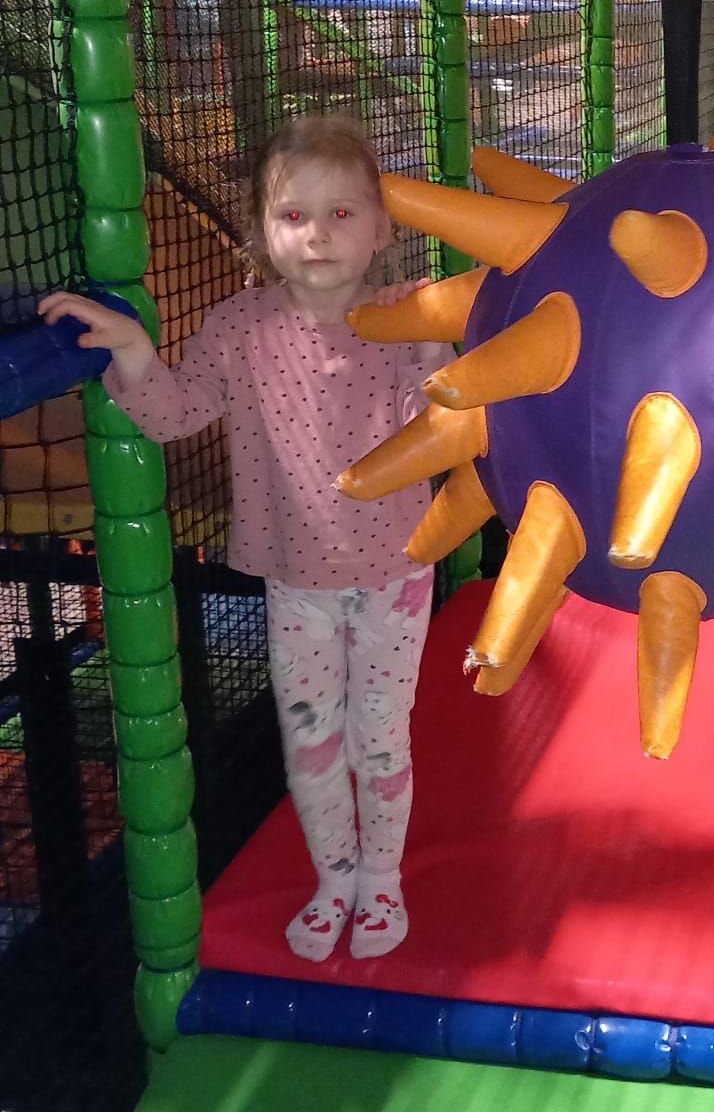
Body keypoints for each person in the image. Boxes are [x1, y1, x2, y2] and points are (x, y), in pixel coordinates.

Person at [40, 115, 452, 965]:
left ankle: (382, 878)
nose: (317, 234)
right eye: (294, 215)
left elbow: (442, 427)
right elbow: (177, 412)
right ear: (263, 232)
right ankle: (334, 878)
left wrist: (440, 353)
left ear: (382, 230)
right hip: (295, 580)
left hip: (393, 571)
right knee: (310, 742)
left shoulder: (404, 320)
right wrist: (133, 350)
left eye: (342, 214)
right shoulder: (239, 327)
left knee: (379, 735)